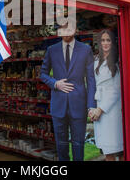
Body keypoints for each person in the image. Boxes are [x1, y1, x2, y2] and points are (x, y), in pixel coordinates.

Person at [40, 22, 96, 161]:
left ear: (75, 30)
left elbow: (91, 79)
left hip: (79, 104)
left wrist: (91, 105)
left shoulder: (85, 49)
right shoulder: (52, 50)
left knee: (78, 144)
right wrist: (55, 83)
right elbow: (43, 74)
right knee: (61, 144)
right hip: (58, 104)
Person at [89, 29, 124, 161]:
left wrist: (100, 109)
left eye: (108, 40)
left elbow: (116, 89)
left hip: (112, 109)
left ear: (113, 42)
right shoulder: (96, 60)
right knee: (107, 151)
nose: (105, 43)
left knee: (118, 150)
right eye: (103, 40)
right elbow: (92, 85)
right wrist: (92, 108)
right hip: (99, 106)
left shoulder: (117, 61)